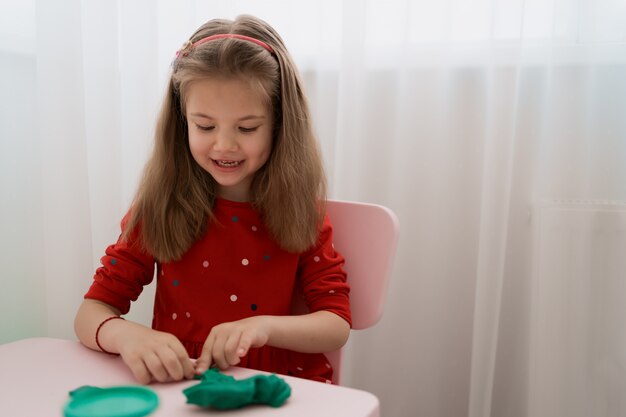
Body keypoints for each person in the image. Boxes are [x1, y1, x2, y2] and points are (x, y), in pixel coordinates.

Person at [74, 15, 351, 385]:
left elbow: (336, 323)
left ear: (280, 124)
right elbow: (91, 311)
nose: (224, 145)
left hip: (279, 387)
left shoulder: (303, 212)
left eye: (247, 128)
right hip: (184, 387)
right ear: (182, 122)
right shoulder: (160, 207)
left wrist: (262, 328)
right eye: (205, 126)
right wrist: (126, 336)